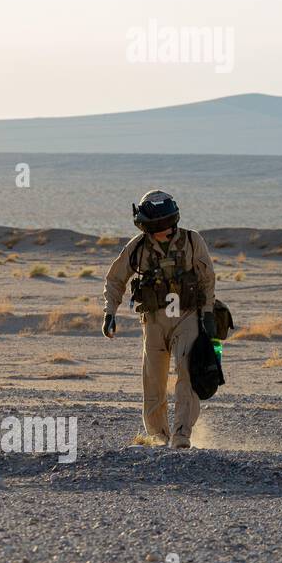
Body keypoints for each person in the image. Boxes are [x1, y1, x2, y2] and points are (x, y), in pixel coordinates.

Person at [102, 191, 216, 448]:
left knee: (187, 373)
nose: (158, 232)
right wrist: (110, 313)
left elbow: (208, 278)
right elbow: (115, 279)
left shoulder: (191, 240)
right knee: (153, 381)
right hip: (153, 321)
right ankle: (158, 436)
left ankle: (182, 435)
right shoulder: (137, 247)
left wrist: (207, 313)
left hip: (187, 316)